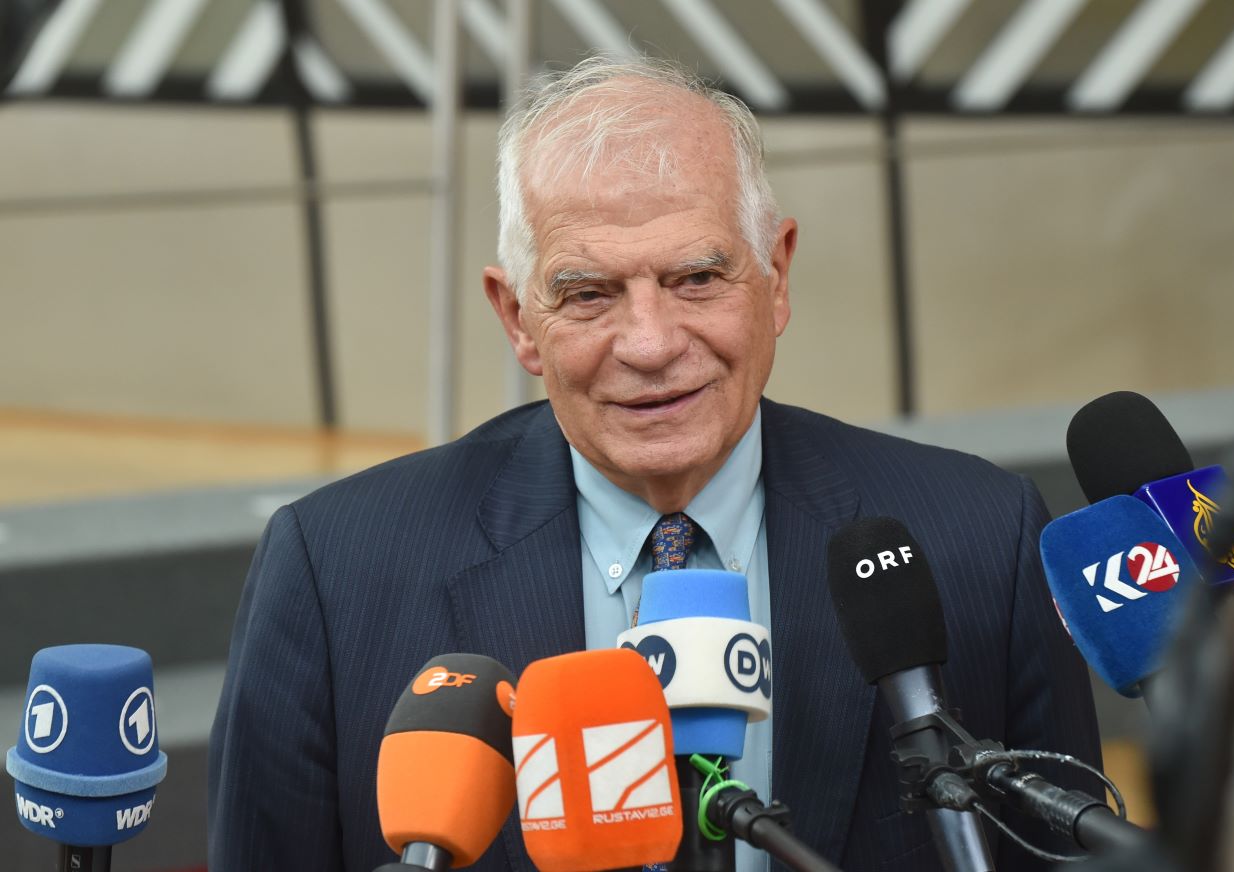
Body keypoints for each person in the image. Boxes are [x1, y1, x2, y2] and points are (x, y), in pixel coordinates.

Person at [209, 56, 1101, 871]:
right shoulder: (334, 573)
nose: (649, 343)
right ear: (517, 317)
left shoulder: (981, 537)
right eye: (588, 293)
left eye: (696, 279)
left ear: (777, 276)